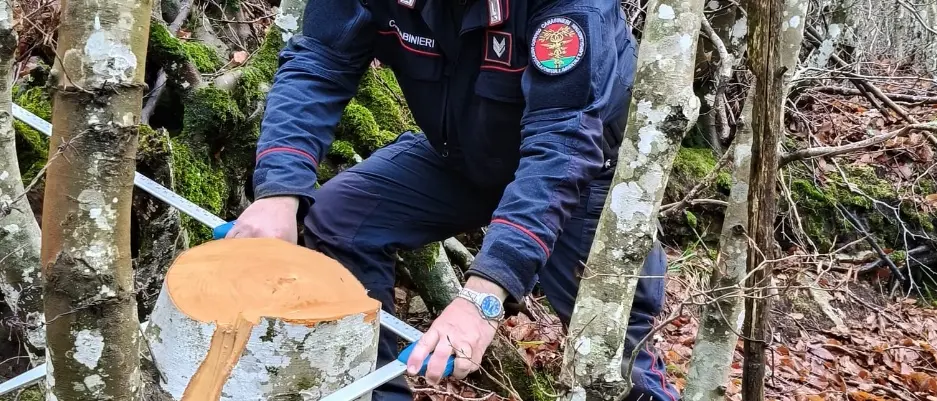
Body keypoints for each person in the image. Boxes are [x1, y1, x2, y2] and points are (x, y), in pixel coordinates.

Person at [226, 0, 681, 400]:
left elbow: (562, 145)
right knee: (341, 221)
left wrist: (485, 295)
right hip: (459, 155)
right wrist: (280, 190)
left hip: (577, 176)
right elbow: (318, 65)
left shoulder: (571, 6)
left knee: (611, 348)